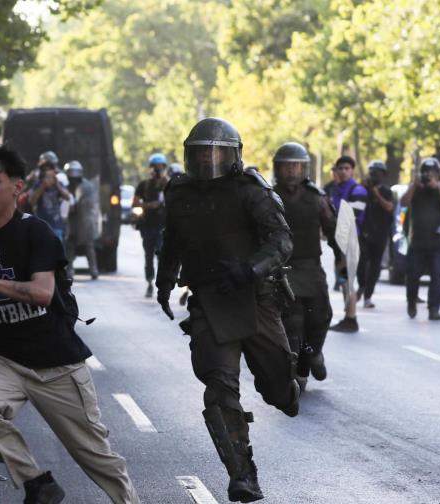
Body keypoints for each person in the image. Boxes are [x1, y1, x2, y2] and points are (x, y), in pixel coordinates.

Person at [0, 145, 140, 504]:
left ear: (17, 187)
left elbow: (42, 293)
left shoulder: (38, 233)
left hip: (57, 363)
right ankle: (38, 483)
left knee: (97, 459)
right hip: (3, 359)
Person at [156, 118, 298, 503]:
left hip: (255, 297)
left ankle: (286, 387)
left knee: (276, 386)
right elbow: (172, 240)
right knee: (219, 390)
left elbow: (282, 241)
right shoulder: (179, 193)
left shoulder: (251, 191)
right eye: (201, 151)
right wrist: (163, 282)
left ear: (233, 155)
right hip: (210, 301)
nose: (208, 158)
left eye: (215, 151)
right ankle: (242, 473)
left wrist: (251, 268)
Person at [271, 142, 339, 392]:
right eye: (287, 166)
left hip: (311, 267)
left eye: (296, 166)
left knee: (321, 316)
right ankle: (296, 370)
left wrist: (344, 260)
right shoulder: (268, 196)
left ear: (303, 169)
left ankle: (315, 353)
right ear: (279, 168)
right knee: (293, 321)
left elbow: (333, 230)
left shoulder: (317, 198)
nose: (291, 171)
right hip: (281, 269)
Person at [400, 157, 440, 321]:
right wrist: (413, 186)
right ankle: (411, 302)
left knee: (437, 276)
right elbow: (403, 202)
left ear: (438, 174)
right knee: (412, 276)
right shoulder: (416, 189)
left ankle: (434, 308)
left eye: (431, 173)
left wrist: (437, 187)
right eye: (425, 172)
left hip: (437, 243)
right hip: (417, 242)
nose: (427, 176)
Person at [328, 155, 367, 333]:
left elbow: (351, 214)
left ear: (352, 171)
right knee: (343, 279)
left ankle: (351, 318)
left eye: (346, 168)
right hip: (339, 242)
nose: (343, 172)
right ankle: (347, 316)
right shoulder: (336, 189)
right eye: (340, 168)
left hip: (351, 241)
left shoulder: (357, 190)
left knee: (348, 279)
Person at [358, 160, 395, 308]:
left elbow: (389, 207)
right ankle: (361, 286)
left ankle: (368, 296)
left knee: (375, 266)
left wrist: (376, 193)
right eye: (373, 173)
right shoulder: (362, 189)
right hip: (365, 234)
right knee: (361, 264)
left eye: (378, 173)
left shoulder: (387, 191)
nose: (375, 176)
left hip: (380, 235)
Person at [133, 153, 169, 298]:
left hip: (163, 227)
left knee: (161, 255)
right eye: (154, 167)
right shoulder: (144, 185)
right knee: (148, 256)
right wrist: (149, 205)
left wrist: (160, 204)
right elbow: (135, 203)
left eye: (159, 167)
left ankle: (162, 285)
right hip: (147, 227)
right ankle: (149, 282)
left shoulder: (169, 184)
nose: (157, 170)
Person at [64, 160, 101, 279]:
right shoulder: (64, 185)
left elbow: (90, 203)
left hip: (84, 220)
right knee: (69, 246)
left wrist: (77, 204)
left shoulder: (87, 186)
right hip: (70, 220)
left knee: (89, 246)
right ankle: (69, 270)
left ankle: (93, 269)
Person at [28, 164, 72, 240]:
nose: (49, 179)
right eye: (47, 177)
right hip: (42, 225)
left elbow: (67, 197)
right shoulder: (38, 185)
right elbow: (31, 202)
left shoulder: (59, 185)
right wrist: (42, 187)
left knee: (56, 249)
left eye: (52, 176)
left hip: (56, 225)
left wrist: (58, 186)